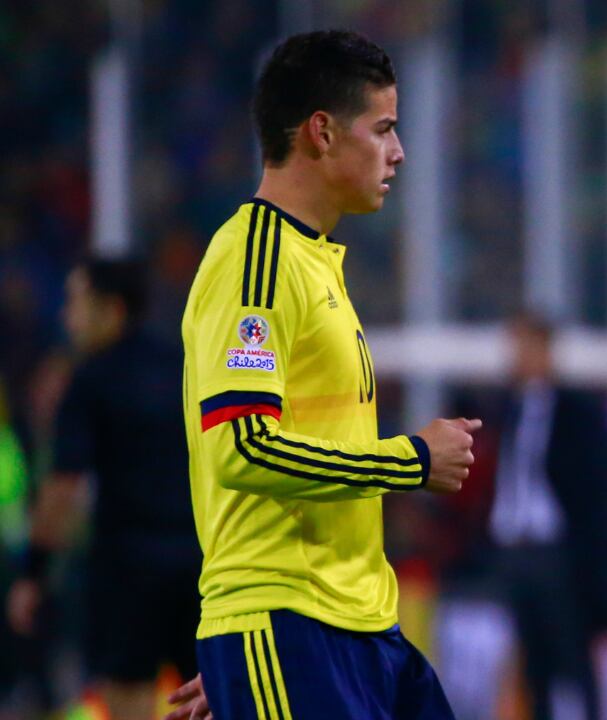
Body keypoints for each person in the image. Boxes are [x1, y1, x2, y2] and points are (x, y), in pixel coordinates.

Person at [164, 30, 479, 720]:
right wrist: (412, 460)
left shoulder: (312, 261)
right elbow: (243, 444)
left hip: (357, 626)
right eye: (385, 128)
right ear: (322, 133)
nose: (399, 152)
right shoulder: (255, 260)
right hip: (291, 618)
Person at [7, 259, 201, 720]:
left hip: (127, 572)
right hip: (201, 566)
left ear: (111, 310)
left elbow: (62, 488)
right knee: (205, 698)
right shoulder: (182, 366)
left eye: (76, 301)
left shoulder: (91, 379)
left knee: (129, 698)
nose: (65, 315)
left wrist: (34, 572)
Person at [480, 313, 607, 720]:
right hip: (514, 549)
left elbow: (596, 487)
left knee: (575, 657)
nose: (515, 356)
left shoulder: (578, 410)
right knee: (532, 664)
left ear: (545, 349)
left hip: (559, 552)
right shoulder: (506, 409)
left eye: (523, 346)